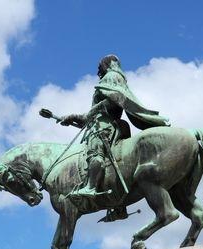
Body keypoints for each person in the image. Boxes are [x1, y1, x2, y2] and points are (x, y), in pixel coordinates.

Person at [56, 54, 169, 220]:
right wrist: (72, 118)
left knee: (95, 153)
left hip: (106, 126)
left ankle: (91, 187)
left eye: (100, 66)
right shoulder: (117, 78)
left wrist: (86, 114)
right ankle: (119, 206)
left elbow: (112, 102)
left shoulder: (111, 77)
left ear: (106, 64)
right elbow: (96, 113)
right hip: (109, 124)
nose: (99, 70)